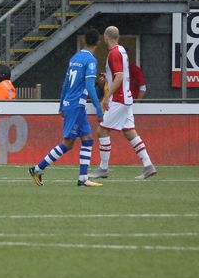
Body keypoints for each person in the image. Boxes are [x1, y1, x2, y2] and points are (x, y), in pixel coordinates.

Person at [28, 28, 104, 187]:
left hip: (73, 104)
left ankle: (83, 178)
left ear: (84, 41)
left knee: (87, 139)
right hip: (76, 105)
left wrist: (61, 104)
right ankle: (38, 168)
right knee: (68, 143)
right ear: (98, 42)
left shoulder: (75, 58)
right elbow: (90, 85)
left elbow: (65, 83)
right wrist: (98, 108)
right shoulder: (91, 60)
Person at [90, 26, 157, 179]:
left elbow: (119, 77)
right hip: (126, 98)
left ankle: (103, 168)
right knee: (129, 132)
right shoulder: (122, 51)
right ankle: (148, 165)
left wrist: (107, 97)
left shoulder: (114, 53)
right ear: (117, 37)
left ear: (106, 37)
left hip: (119, 99)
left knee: (102, 131)